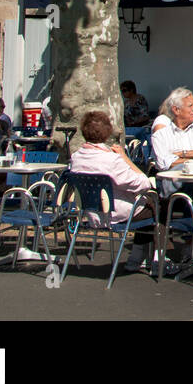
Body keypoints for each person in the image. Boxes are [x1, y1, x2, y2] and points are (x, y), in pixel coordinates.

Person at [67, 109, 156, 268]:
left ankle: (139, 256)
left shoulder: (76, 158)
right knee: (156, 205)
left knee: (147, 205)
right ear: (107, 133)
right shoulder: (112, 160)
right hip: (116, 213)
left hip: (91, 212)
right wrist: (125, 158)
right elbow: (143, 183)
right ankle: (151, 258)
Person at [150, 88, 193, 171]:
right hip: (175, 181)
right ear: (176, 110)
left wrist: (182, 154)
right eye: (190, 106)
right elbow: (166, 163)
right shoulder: (161, 136)